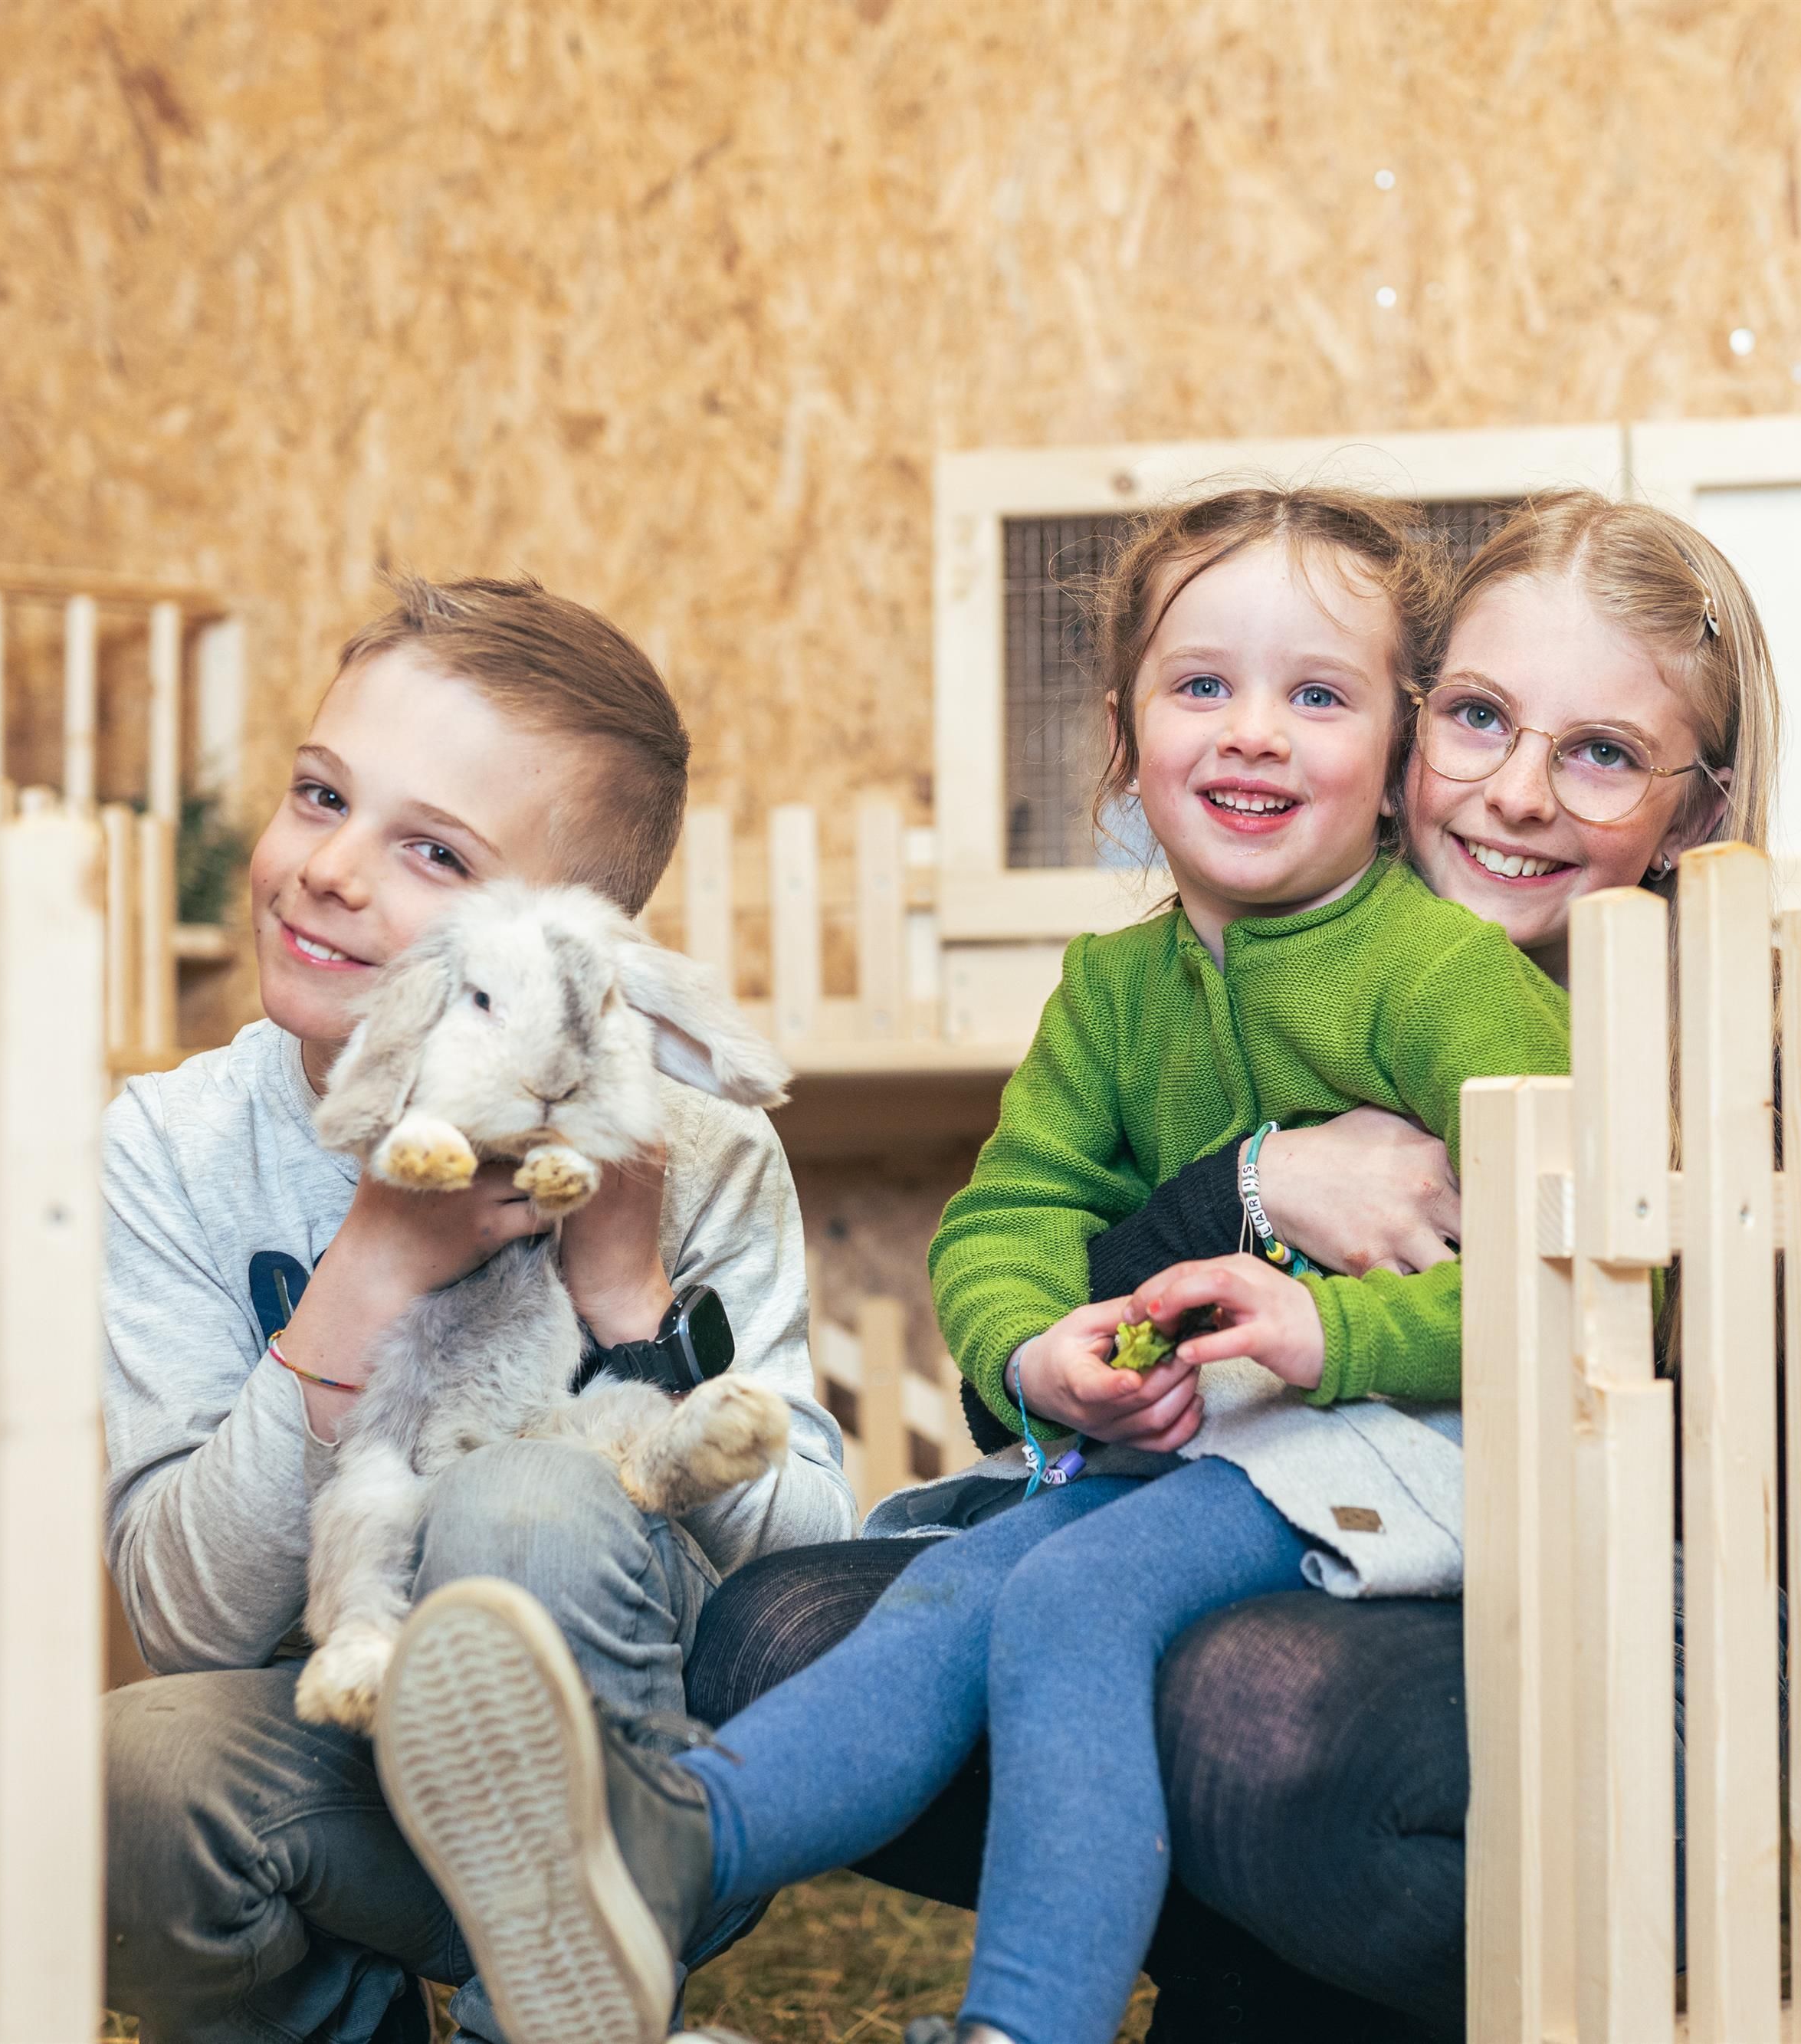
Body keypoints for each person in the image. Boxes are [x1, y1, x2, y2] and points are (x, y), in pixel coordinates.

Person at [683, 488, 1801, 2042]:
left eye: (1601, 752)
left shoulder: (1771, 1049)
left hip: (1614, 1624)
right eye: (1479, 718)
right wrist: (1250, 1187)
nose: (1516, 793)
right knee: (781, 1629)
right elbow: (1038, 1313)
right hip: (1254, 1521)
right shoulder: (1267, 951)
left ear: (1694, 816)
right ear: (1409, 726)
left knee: (1223, 1680)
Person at [363, 481, 1580, 2044]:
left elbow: (1587, 1282)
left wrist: (1329, 1332)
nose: (1254, 733)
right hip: (1212, 1456)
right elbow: (1008, 1217)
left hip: (1402, 1448)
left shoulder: (1446, 976)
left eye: (1318, 697)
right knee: (958, 1586)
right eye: (1201, 685)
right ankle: (666, 1846)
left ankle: (1020, 2020)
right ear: (1123, 737)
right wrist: (1036, 1351)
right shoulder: (1118, 989)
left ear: (1401, 750)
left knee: (1070, 1598)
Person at [98, 574, 853, 2044]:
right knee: (124, 1786)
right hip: (340, 1751)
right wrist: (367, 1277)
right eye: (321, 796)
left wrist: (627, 1300)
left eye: (434, 851)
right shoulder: (172, 1147)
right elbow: (183, 1625)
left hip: (646, 1784)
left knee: (527, 1503)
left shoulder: (695, 1153)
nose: (330, 869)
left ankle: (557, 2012)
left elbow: (810, 1570)